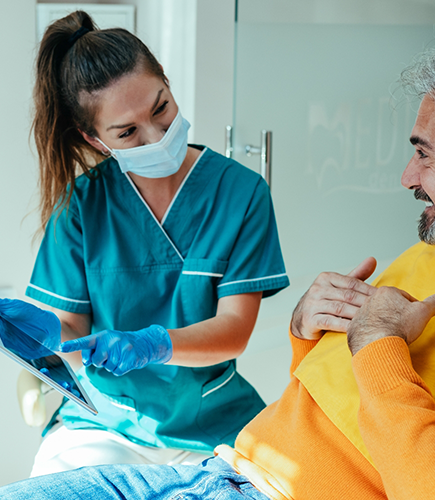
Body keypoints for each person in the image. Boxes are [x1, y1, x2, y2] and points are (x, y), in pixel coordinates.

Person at [3, 28, 435, 499]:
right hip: (229, 466)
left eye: (423, 153)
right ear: (95, 138)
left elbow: (399, 401)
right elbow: (337, 391)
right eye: (127, 131)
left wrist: (377, 346)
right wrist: (309, 329)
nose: (405, 177)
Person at [6, 10, 289, 477]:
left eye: (161, 108)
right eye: (127, 132)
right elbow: (70, 328)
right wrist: (46, 337)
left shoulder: (242, 193)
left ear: (168, 83)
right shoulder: (83, 205)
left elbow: (235, 329)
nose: (157, 137)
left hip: (213, 424)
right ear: (95, 139)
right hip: (104, 424)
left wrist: (154, 344)